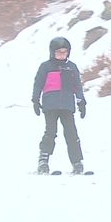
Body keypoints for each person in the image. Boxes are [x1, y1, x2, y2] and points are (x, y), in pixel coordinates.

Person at [32, 37, 87, 174]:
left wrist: (81, 101)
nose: (62, 55)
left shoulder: (71, 67)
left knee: (71, 133)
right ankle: (43, 161)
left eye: (64, 52)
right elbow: (38, 83)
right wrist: (35, 99)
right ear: (52, 52)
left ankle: (77, 162)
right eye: (59, 52)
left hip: (67, 106)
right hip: (50, 105)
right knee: (51, 132)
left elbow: (77, 86)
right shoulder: (46, 66)